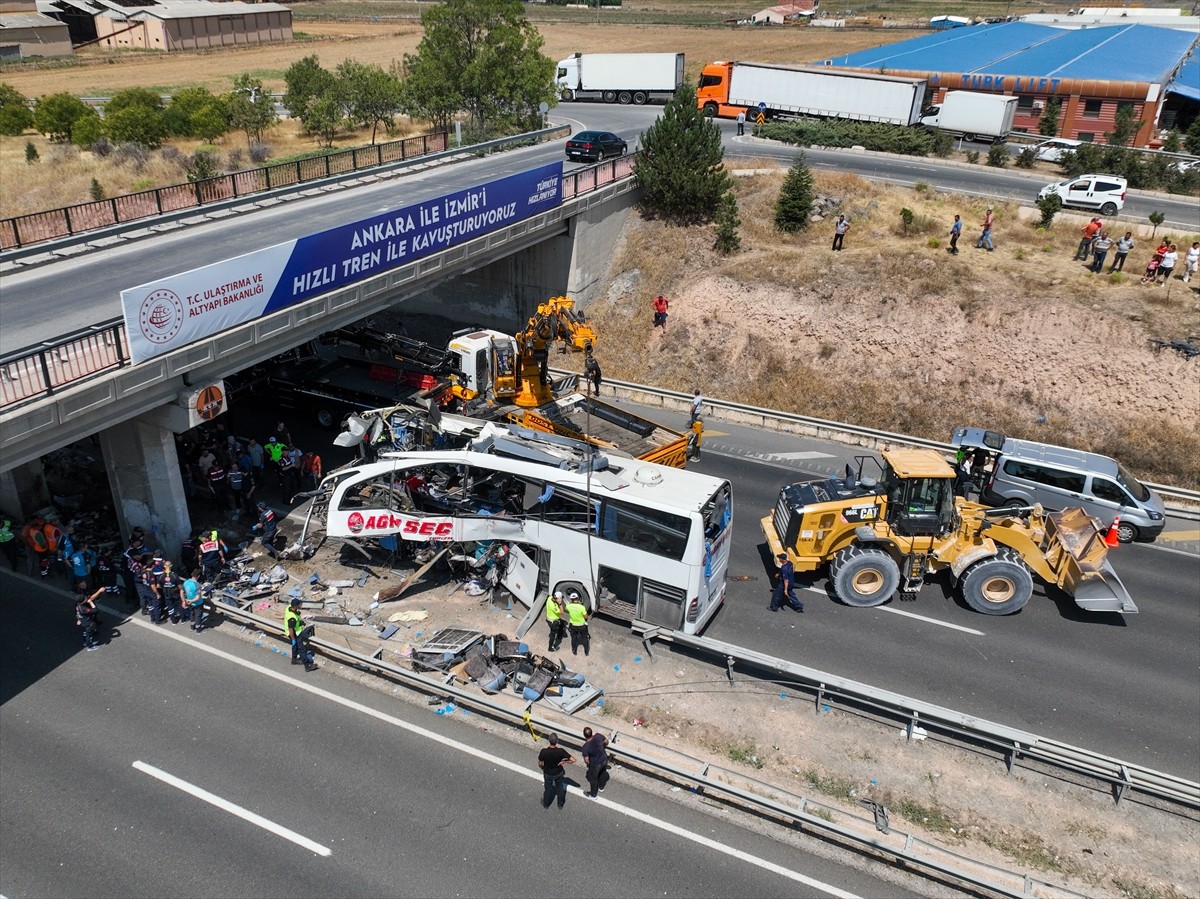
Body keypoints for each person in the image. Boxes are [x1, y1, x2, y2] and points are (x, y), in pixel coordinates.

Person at [537, 733, 574, 809]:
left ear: (548, 740)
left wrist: (543, 769)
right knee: (560, 788)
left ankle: (546, 804)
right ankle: (560, 805)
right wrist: (564, 762)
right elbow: (573, 760)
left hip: (548, 773)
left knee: (547, 789)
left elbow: (540, 763)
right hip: (558, 773)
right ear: (557, 741)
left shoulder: (544, 751)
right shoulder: (561, 751)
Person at [285, 596, 318, 671]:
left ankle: (294, 660)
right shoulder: (292, 618)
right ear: (296, 606)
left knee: (295, 646)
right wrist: (293, 639)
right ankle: (308, 665)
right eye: (299, 604)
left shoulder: (289, 608)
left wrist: (300, 623)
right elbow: (291, 629)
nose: (300, 606)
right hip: (294, 633)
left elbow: (295, 619)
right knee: (302, 649)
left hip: (294, 631)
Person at [581, 726, 610, 798]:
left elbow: (586, 760)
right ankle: (601, 787)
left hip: (595, 764)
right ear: (592, 732)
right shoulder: (598, 736)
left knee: (594, 779)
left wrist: (589, 764)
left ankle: (593, 794)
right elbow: (606, 741)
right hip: (604, 759)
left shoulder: (586, 747)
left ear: (584, 735)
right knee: (603, 773)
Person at [76, 585, 105, 651]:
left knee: (85, 633)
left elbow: (77, 613)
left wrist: (78, 619)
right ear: (83, 601)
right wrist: (91, 602)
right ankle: (90, 646)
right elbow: (95, 610)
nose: (86, 597)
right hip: (87, 622)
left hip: (82, 621)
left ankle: (85, 643)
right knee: (89, 634)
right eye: (85, 598)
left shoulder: (78, 605)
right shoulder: (84, 608)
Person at [564, 590, 590, 657]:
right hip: (582, 626)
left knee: (574, 638)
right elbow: (586, 616)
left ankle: (574, 650)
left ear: (571, 599)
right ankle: (586, 651)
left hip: (573, 626)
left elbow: (566, 609)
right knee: (585, 638)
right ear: (578, 598)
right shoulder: (582, 607)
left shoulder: (568, 606)